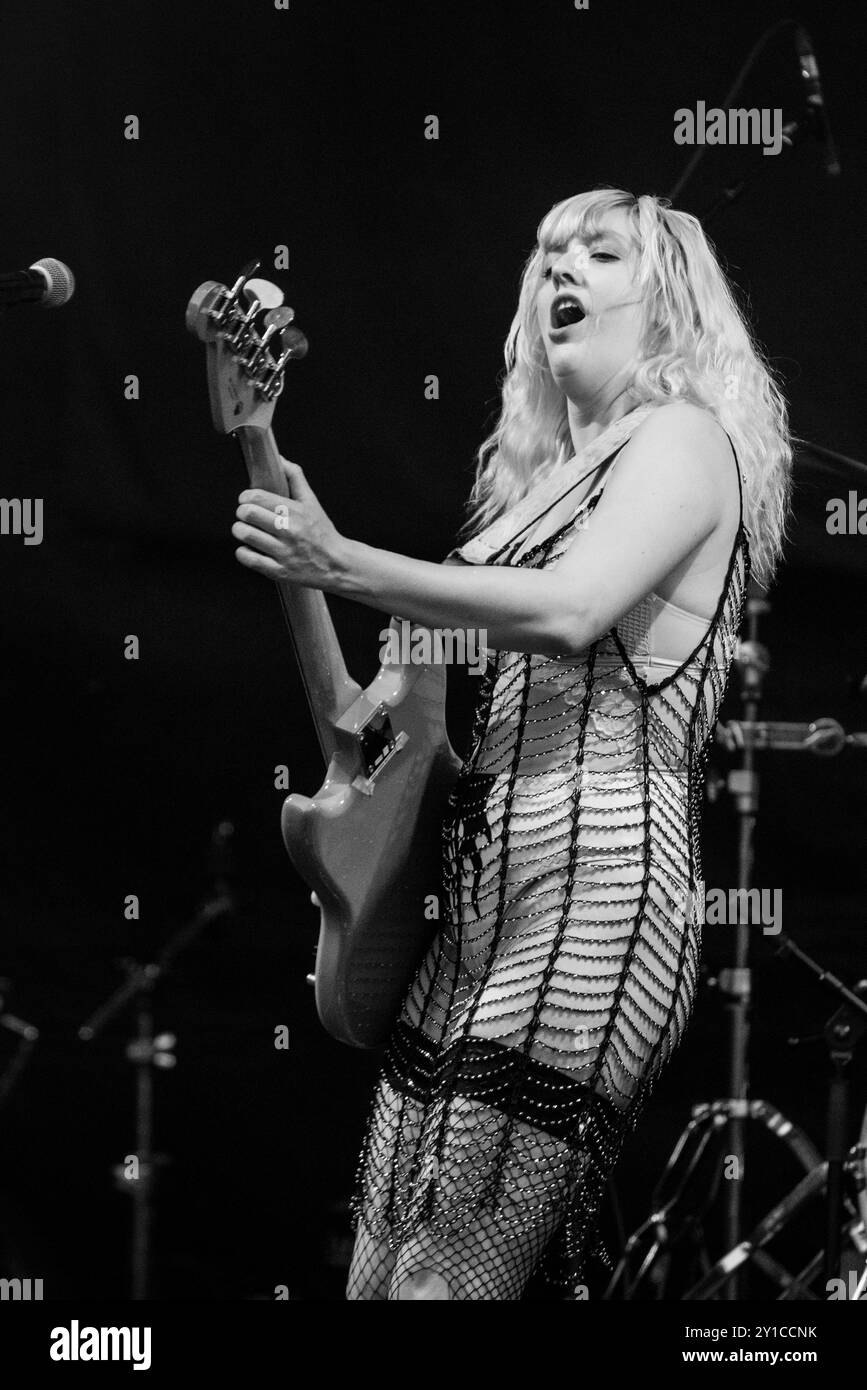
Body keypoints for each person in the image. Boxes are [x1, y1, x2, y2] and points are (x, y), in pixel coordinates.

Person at [231, 187, 792, 1301]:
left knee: (447, 1282)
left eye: (598, 251)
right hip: (478, 909)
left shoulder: (685, 441)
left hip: (598, 887)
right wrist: (264, 457)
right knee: (381, 1277)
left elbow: (576, 609)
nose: (559, 270)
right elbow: (358, 721)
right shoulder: (522, 509)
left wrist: (338, 556)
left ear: (670, 300)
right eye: (545, 255)